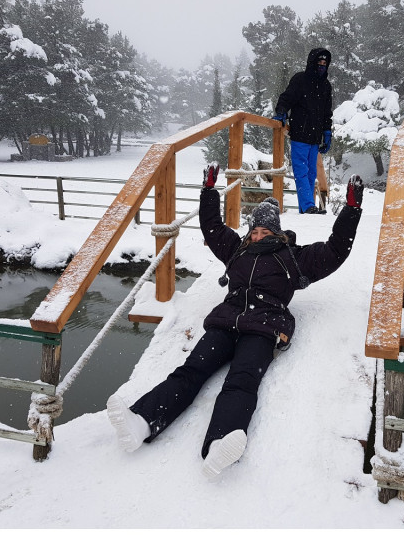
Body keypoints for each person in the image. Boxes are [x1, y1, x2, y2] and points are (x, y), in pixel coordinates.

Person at [107, 164, 365, 479]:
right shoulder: (236, 251)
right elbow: (212, 226)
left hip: (264, 327)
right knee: (192, 371)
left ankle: (219, 443)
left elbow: (335, 250)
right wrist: (208, 191)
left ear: (277, 233)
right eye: (254, 231)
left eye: (264, 232)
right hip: (225, 323)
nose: (257, 236)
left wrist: (351, 210)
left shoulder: (293, 258)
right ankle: (142, 421)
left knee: (242, 380)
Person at [273, 48, 333, 215]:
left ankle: (306, 209)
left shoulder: (326, 86)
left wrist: (327, 132)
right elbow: (286, 98)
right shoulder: (300, 80)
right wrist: (281, 112)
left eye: (325, 64)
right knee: (301, 171)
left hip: (315, 137)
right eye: (319, 63)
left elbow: (327, 112)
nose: (322, 66)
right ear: (312, 63)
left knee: (312, 173)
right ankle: (308, 207)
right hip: (300, 133)